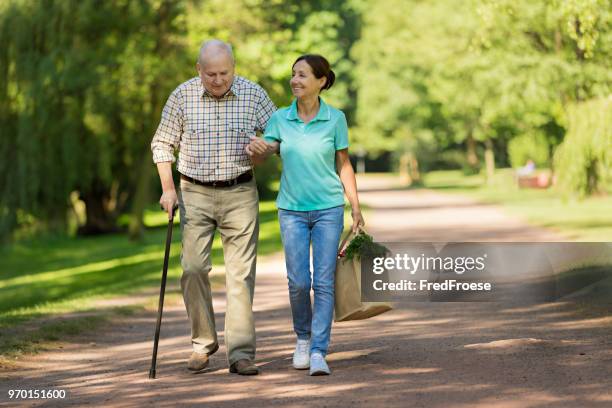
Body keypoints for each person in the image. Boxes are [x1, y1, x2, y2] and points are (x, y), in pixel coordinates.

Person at [151, 39, 276, 375]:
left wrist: (265, 149)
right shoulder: (182, 95)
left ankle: (240, 353)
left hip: (240, 191)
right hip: (194, 192)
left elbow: (280, 134)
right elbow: (162, 143)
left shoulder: (253, 94)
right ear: (198, 70)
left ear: (233, 67)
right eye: (211, 74)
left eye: (224, 73)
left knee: (240, 274)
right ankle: (202, 344)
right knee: (193, 268)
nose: (218, 80)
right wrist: (167, 189)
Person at [246, 54, 364, 375]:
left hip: (328, 208)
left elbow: (343, 163)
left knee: (323, 282)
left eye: (302, 75)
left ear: (321, 81)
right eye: (293, 74)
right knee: (299, 282)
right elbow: (267, 150)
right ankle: (302, 337)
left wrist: (355, 207)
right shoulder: (281, 119)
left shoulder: (335, 118)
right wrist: (259, 149)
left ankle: (318, 351)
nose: (295, 80)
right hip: (292, 211)